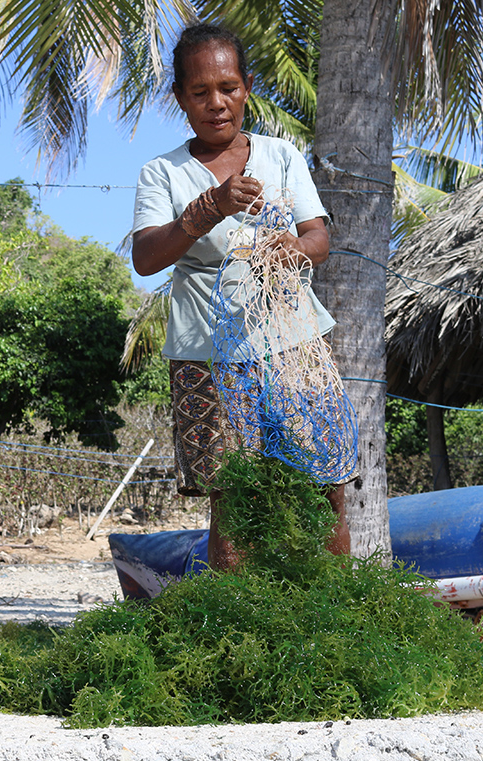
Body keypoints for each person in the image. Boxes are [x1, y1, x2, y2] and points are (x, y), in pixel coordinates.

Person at [131, 23, 348, 570]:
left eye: (228, 87)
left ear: (248, 87)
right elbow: (147, 258)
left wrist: (294, 251)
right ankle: (237, 617)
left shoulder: (280, 156)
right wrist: (209, 207)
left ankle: (337, 603)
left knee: (325, 482)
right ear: (180, 97)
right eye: (199, 92)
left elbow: (319, 237)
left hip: (292, 341)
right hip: (205, 350)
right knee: (231, 492)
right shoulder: (161, 173)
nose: (216, 104)